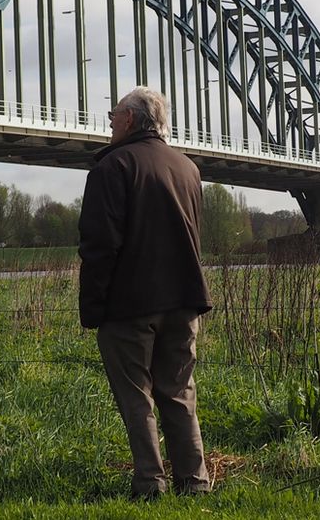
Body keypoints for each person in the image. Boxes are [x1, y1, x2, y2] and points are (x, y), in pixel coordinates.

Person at [78, 86, 213, 499]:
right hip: (184, 300)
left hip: (130, 305)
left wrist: (94, 308)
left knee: (137, 397)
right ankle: (194, 482)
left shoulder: (112, 167)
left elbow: (100, 245)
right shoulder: (188, 168)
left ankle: (149, 484)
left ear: (131, 120)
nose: (110, 122)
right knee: (180, 393)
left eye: (113, 115)